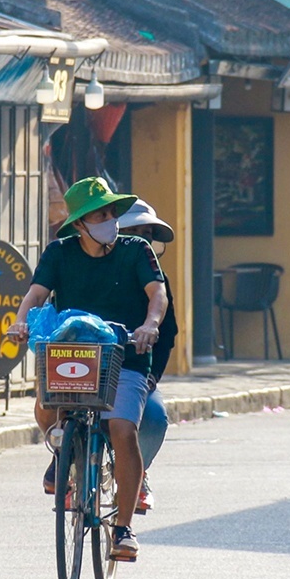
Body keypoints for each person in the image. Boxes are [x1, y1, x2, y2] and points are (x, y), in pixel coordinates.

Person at [6, 178, 167, 563]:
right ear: (79, 223)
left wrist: (150, 325)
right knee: (47, 404)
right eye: (100, 215)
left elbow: (157, 293)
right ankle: (62, 454)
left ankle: (123, 529)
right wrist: (20, 321)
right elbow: (36, 294)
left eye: (112, 212)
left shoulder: (137, 250)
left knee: (123, 429)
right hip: (72, 352)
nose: (110, 220)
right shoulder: (59, 254)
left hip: (126, 355)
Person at [115, 200, 179, 512]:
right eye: (133, 232)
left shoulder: (158, 282)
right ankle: (68, 468)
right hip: (86, 369)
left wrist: (151, 378)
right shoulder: (84, 265)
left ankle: (137, 474)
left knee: (153, 418)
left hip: (136, 371)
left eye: (147, 234)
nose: (141, 240)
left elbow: (167, 335)